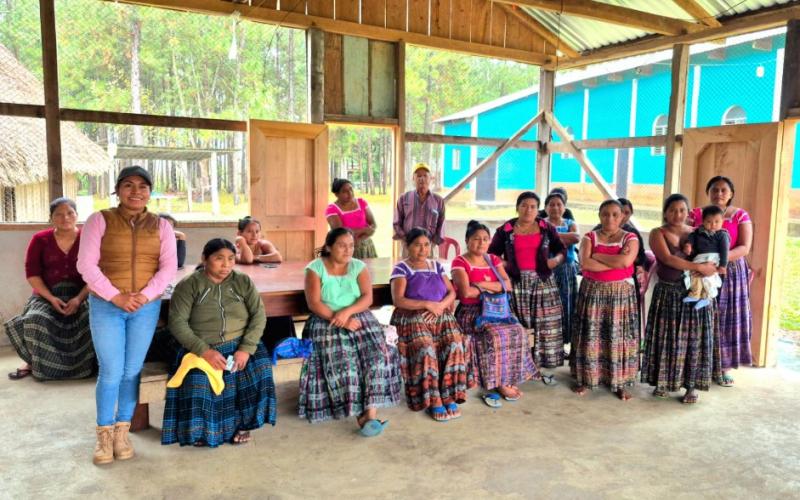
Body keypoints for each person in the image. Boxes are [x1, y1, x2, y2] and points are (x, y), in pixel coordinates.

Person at [77, 165, 177, 465]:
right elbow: (86, 265)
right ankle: (104, 436)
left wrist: (143, 297)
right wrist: (116, 296)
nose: (136, 192)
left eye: (143, 186)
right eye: (129, 185)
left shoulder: (162, 226)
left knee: (132, 370)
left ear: (150, 192)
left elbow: (168, 267)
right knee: (111, 371)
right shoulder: (99, 220)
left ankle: (123, 432)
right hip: (107, 306)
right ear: (118, 190)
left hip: (144, 308)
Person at [162, 238, 277, 447]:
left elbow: (259, 316)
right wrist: (204, 351)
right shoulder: (189, 285)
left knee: (260, 368)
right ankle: (205, 431)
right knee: (198, 379)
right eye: (219, 259)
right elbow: (177, 323)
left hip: (241, 342)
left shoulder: (242, 282)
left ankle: (245, 424)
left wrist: (246, 349)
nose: (226, 265)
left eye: (231, 259)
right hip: (200, 347)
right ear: (205, 259)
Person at [299, 228, 401, 436]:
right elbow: (314, 303)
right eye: (342, 245)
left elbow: (367, 298)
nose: (348, 250)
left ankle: (369, 415)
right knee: (345, 363)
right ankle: (358, 413)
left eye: (351, 245)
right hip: (326, 319)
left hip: (358, 316)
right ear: (329, 247)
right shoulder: (315, 269)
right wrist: (340, 320)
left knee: (378, 357)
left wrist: (348, 312)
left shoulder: (358, 266)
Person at [5, 197, 95, 381]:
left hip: (83, 294)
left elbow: (97, 272)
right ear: (51, 218)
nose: (65, 218)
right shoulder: (40, 240)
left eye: (70, 213)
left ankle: (89, 365)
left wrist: (79, 299)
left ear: (77, 215)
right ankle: (33, 363)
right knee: (34, 319)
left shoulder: (89, 238)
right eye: (59, 214)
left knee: (93, 318)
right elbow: (32, 274)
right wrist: (51, 298)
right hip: (47, 295)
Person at [641, 194, 720, 404]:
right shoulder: (658, 233)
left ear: (688, 212)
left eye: (682, 210)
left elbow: (712, 255)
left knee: (692, 340)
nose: (678, 214)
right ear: (665, 212)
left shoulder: (698, 233)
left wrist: (709, 267)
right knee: (666, 337)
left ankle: (691, 387)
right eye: (673, 210)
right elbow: (667, 259)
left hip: (694, 293)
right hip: (668, 292)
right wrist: (698, 267)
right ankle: (663, 382)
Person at [451, 220, 538, 408]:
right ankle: (499, 382)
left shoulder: (493, 259)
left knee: (517, 330)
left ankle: (509, 377)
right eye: (476, 239)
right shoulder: (460, 262)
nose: (481, 243)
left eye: (485, 239)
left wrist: (480, 285)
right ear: (467, 240)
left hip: (497, 310)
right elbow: (466, 293)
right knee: (495, 335)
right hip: (473, 313)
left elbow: (507, 286)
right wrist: (493, 287)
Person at [390, 227, 468, 422]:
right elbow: (398, 300)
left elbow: (452, 292)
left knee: (455, 344)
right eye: (417, 245)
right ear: (407, 246)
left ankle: (449, 394)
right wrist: (426, 304)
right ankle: (433, 399)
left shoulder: (437, 266)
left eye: (426, 245)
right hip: (412, 315)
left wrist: (440, 307)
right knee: (426, 348)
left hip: (439, 313)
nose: (423, 249)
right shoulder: (401, 268)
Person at [488, 191, 565, 378]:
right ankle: (520, 363)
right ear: (517, 207)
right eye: (524, 205)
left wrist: (555, 261)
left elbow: (561, 249)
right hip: (517, 283)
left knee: (542, 326)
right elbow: (491, 254)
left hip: (543, 283)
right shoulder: (505, 230)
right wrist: (505, 264)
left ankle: (537, 365)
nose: (528, 210)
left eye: (532, 206)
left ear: (538, 210)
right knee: (521, 324)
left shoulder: (546, 227)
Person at [687, 176, 753, 387]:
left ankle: (723, 368)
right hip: (699, 269)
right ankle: (697, 366)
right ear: (708, 192)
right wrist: (698, 263)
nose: (719, 194)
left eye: (724, 190)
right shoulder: (696, 214)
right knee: (700, 315)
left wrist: (716, 265)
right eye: (715, 189)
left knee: (727, 318)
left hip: (730, 272)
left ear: (731, 193)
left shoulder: (740, 215)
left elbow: (744, 247)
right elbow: (684, 237)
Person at [571, 199, 639, 401]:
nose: (610, 218)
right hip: (593, 292)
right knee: (591, 334)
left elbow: (626, 261)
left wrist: (598, 255)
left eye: (615, 214)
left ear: (622, 216)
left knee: (618, 337)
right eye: (605, 214)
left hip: (620, 294)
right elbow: (585, 264)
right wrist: (615, 263)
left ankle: (619, 382)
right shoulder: (589, 237)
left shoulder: (630, 238)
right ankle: (586, 378)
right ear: (599, 216)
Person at [543, 191, 580, 348]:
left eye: (559, 204)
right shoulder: (540, 222)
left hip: (566, 270)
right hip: (546, 269)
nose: (555, 207)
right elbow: (540, 239)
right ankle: (549, 343)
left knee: (566, 304)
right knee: (547, 305)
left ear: (564, 207)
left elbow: (576, 237)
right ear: (545, 208)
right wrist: (565, 238)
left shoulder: (570, 222)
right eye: (551, 204)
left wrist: (551, 236)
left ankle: (564, 343)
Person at [682, 205, 729, 309]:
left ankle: (706, 297)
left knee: (708, 278)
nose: (713, 225)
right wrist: (688, 245)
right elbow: (691, 237)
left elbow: (724, 251)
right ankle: (695, 294)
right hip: (699, 258)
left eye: (717, 222)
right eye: (709, 222)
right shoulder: (698, 232)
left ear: (722, 221)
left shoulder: (722, 235)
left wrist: (723, 265)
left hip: (713, 258)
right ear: (703, 221)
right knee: (694, 274)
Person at [393, 163, 445, 254]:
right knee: (407, 268)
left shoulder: (438, 200)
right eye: (418, 176)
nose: (422, 179)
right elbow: (396, 223)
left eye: (425, 175)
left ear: (430, 178)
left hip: (429, 247)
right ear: (413, 178)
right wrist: (406, 239)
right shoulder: (403, 198)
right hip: (409, 245)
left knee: (429, 268)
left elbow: (441, 222)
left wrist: (433, 243)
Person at [325, 178, 378, 258]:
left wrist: (360, 239)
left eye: (351, 189)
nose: (350, 193)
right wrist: (364, 230)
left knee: (368, 269)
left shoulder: (361, 202)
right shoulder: (332, 209)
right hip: (345, 249)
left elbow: (373, 224)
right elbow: (341, 233)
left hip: (366, 246)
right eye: (344, 191)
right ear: (336, 194)